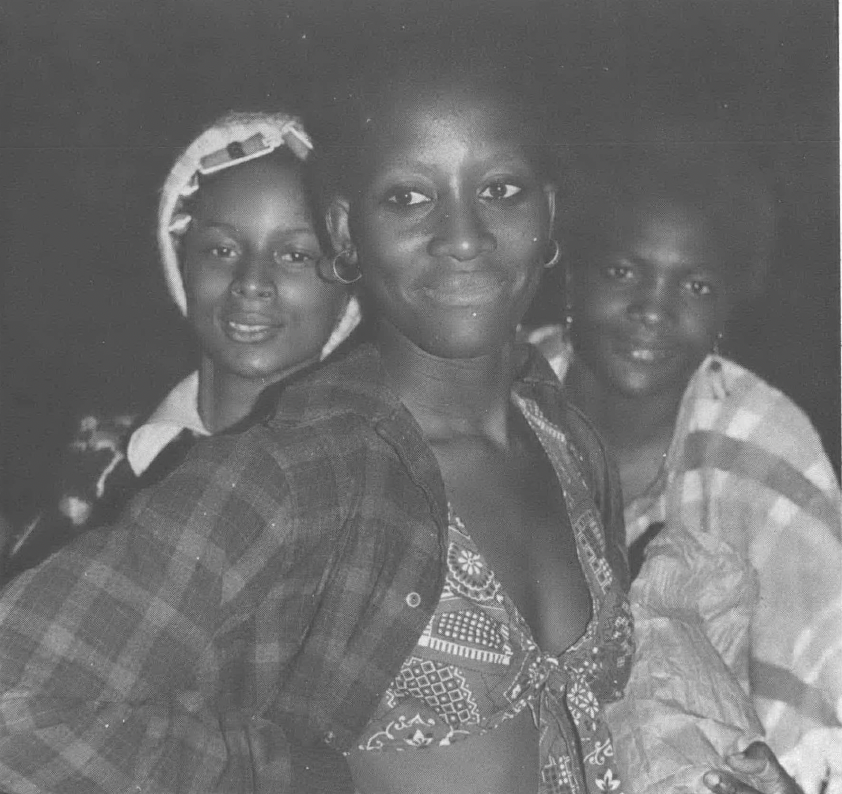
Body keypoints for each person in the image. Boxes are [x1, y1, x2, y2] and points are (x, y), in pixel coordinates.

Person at [0, 44, 801, 794]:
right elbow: (20, 705)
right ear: (347, 235)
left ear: (550, 216)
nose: (462, 236)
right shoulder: (301, 473)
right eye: (410, 198)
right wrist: (285, 772)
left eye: (500, 191)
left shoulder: (564, 444)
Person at [529, 143, 842, 794]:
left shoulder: (761, 441)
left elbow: (818, 663)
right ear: (573, 277)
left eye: (694, 286)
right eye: (623, 272)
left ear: (727, 309)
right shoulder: (501, 401)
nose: (654, 309)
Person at [1, 111, 360, 581]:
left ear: (347, 285)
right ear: (180, 260)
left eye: (295, 255)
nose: (251, 283)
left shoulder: (351, 493)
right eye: (222, 250)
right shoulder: (99, 460)